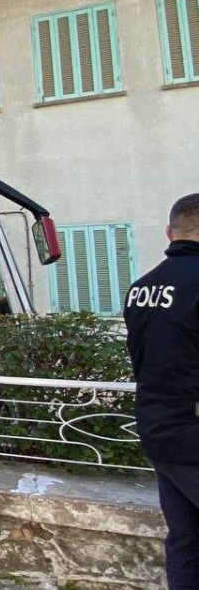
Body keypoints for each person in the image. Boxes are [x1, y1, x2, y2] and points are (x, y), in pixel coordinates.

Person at [125, 193, 199, 589]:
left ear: (170, 232)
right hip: (193, 429)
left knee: (186, 540)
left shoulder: (141, 288)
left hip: (158, 428)